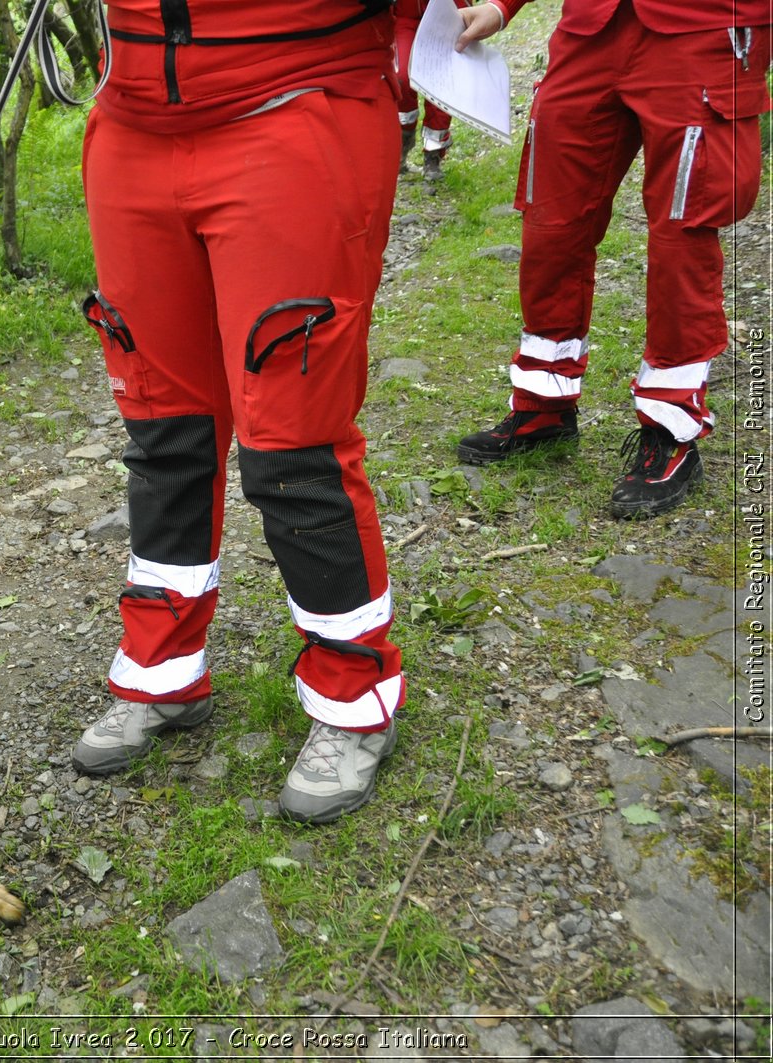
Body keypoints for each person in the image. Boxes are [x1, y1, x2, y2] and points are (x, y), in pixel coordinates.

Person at [70, 0, 406, 824]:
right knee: (161, 425)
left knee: (294, 438)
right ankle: (163, 670)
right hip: (131, 122)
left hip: (294, 103)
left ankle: (353, 694)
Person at [453, 0, 770, 518]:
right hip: (589, 29)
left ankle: (670, 428)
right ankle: (543, 404)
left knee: (682, 235)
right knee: (552, 224)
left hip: (704, 29)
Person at [394, 0, 468, 188]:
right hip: (405, 15)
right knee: (401, 76)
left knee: (440, 83)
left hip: (445, 16)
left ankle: (433, 153)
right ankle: (405, 134)